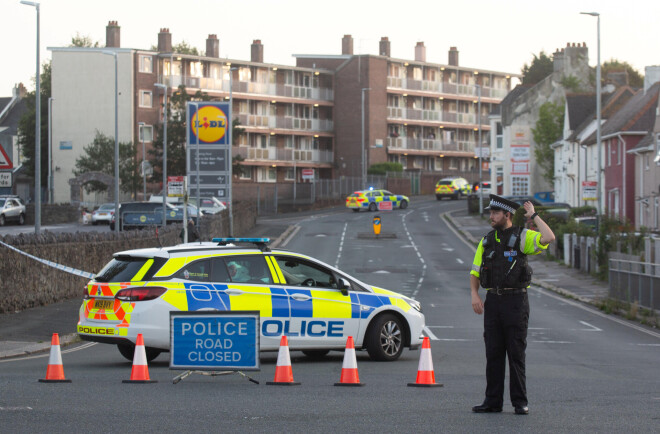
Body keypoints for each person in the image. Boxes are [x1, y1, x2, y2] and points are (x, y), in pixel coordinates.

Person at [470, 194, 555, 415]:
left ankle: (520, 402)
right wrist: (474, 294)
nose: (491, 216)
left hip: (515, 302)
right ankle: (492, 401)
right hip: (493, 301)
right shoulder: (486, 240)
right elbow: (475, 271)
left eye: (495, 213)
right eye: (490, 212)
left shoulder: (522, 237)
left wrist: (533, 216)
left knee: (516, 353)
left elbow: (549, 237)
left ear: (507, 215)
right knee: (493, 353)